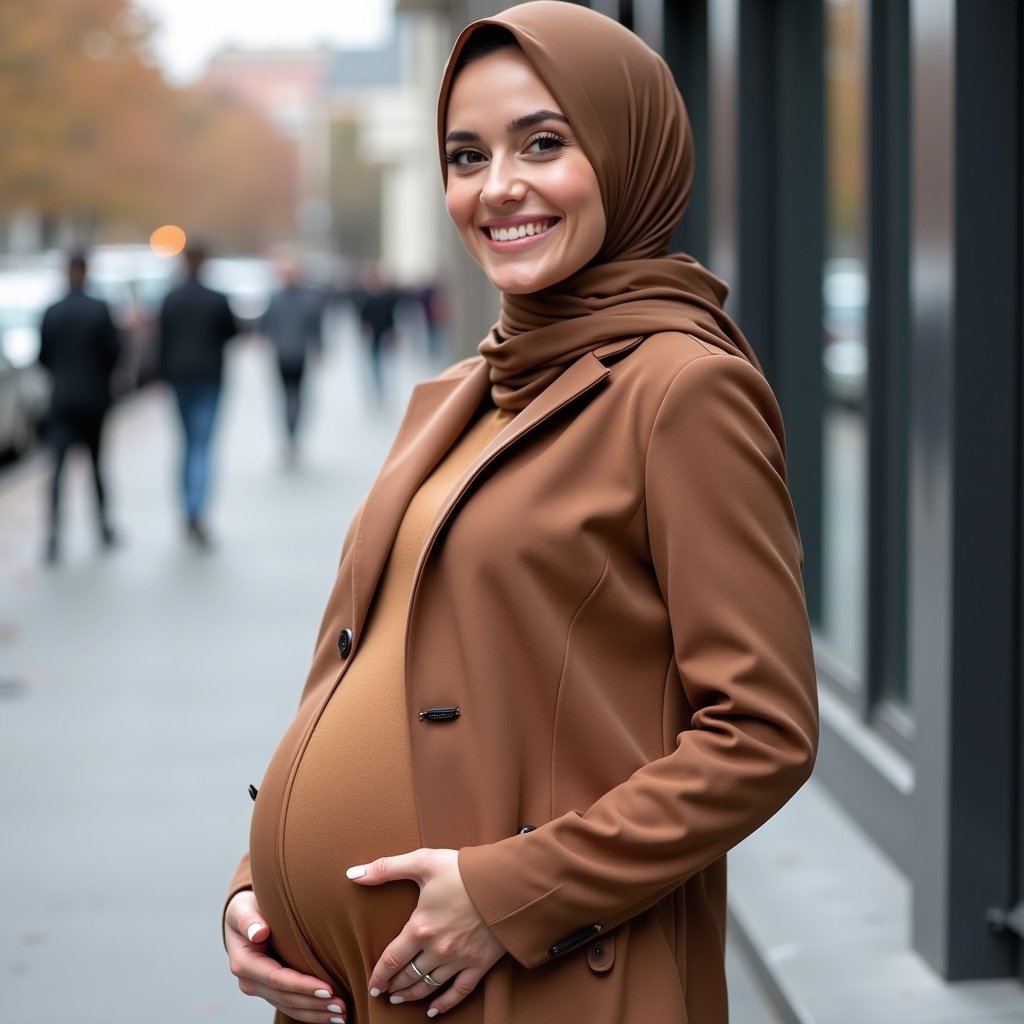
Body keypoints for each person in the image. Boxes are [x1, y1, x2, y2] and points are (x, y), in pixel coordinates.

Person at [222, 4, 818, 1023]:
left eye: (543, 143)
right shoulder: (462, 394)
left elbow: (762, 732)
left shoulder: (680, 389)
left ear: (629, 155)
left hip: (539, 985)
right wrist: (257, 887)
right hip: (355, 992)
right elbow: (355, 665)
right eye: (465, 154)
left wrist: (510, 898)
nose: (497, 188)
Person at [38, 250, 123, 564]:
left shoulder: (53, 311)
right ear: (86, 271)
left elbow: (43, 356)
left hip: (61, 399)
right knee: (97, 467)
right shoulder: (100, 310)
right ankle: (102, 527)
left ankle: (53, 536)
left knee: (57, 470)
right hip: (93, 399)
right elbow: (115, 351)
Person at [155, 244, 237, 547]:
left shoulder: (171, 298)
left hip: (180, 377)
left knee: (187, 444)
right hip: (209, 378)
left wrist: (160, 375)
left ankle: (188, 508)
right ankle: (196, 509)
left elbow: (161, 340)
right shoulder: (216, 299)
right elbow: (232, 333)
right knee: (202, 445)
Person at [261, 259, 323, 465]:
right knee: (286, 396)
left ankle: (293, 432)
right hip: (281, 354)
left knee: (296, 396)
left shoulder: (307, 299)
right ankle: (289, 433)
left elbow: (316, 327)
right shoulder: (276, 299)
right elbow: (265, 324)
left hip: (299, 354)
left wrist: (319, 349)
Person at [353, 262, 401, 406]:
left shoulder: (387, 296)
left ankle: (384, 391)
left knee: (385, 364)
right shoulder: (365, 297)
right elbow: (362, 316)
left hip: (384, 334)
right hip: (372, 336)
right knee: (374, 364)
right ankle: (376, 391)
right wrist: (363, 331)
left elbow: (391, 317)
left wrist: (393, 333)